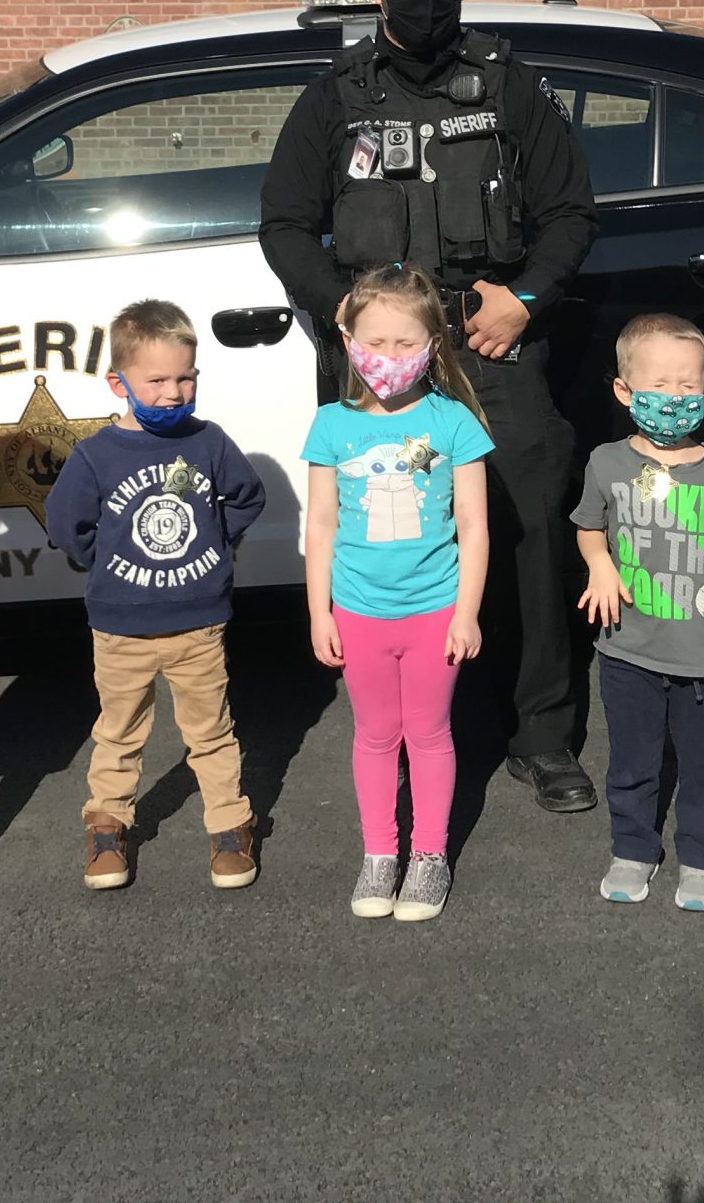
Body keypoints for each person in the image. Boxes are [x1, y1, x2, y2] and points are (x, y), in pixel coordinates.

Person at [260, 0, 600, 815]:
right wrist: (340, 309)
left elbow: (571, 212)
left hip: (491, 342)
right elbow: (284, 223)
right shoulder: (336, 91)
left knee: (527, 533)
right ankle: (404, 725)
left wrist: (525, 295)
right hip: (382, 363)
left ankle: (541, 738)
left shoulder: (505, 83)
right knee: (386, 530)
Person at [48, 300, 268, 892]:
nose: (174, 392)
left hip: (199, 624)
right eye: (158, 381)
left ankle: (229, 826)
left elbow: (247, 496)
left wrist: (216, 543)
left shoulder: (209, 442)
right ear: (120, 383)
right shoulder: (97, 454)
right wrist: (109, 562)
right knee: (118, 733)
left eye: (185, 378)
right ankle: (107, 826)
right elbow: (66, 522)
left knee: (211, 732)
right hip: (120, 627)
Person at [301, 268, 492, 923]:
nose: (387, 356)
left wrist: (466, 612)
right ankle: (380, 853)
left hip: (435, 608)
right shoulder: (330, 425)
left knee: (430, 734)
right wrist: (318, 611)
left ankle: (430, 855)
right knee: (376, 735)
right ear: (349, 340)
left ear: (434, 347)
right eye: (374, 340)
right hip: (357, 612)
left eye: (404, 342)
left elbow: (474, 525)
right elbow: (320, 525)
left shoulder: (454, 422)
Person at [572, 314, 704, 914]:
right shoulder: (606, 463)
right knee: (631, 760)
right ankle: (633, 848)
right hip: (626, 650)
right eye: (660, 384)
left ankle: (703, 855)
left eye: (688, 386)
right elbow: (587, 528)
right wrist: (600, 564)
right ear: (625, 391)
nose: (675, 398)